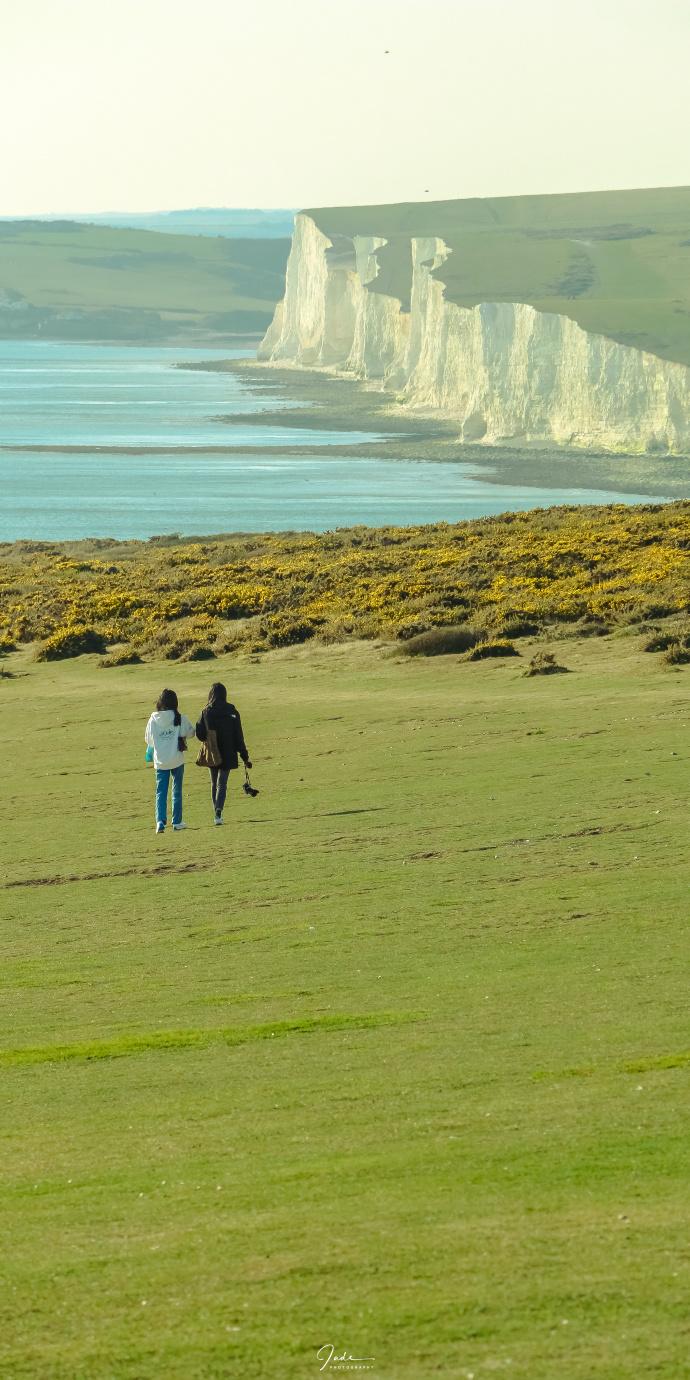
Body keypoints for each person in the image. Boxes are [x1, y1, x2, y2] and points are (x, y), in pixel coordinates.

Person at [196, 682, 252, 825]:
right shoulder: (232, 710)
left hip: (213, 752)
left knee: (214, 783)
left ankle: (216, 812)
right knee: (223, 784)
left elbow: (200, 734)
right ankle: (218, 811)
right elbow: (239, 735)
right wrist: (244, 756)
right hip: (228, 751)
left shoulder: (206, 711)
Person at [145, 689, 196, 834]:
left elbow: (148, 740)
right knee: (177, 790)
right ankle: (177, 821)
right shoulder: (180, 717)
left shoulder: (153, 719)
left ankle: (160, 821)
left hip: (160, 761)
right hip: (177, 759)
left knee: (161, 792)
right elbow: (191, 733)